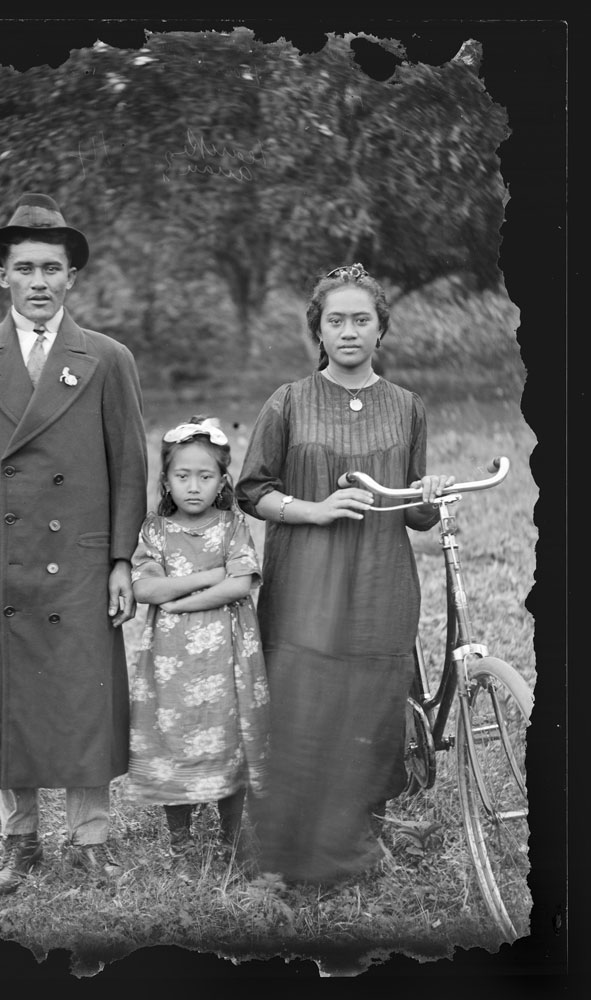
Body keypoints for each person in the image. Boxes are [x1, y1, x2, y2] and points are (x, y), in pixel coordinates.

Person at [0, 193, 147, 897]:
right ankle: (17, 838)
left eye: (51, 268)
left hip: (82, 561)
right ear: (1, 275)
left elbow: (129, 466)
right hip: (4, 565)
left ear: (71, 277)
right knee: (5, 700)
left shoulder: (106, 358)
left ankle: (92, 837)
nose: (38, 282)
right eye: (23, 268)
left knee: (83, 697)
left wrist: (121, 560)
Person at [235, 263, 454, 884]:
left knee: (373, 703)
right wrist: (315, 509)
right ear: (319, 330)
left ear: (380, 329)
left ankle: (362, 835)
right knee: (301, 703)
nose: (350, 330)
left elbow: (415, 515)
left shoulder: (407, 407)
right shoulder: (288, 402)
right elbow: (252, 492)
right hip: (304, 580)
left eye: (362, 319)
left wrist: (430, 493)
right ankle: (282, 855)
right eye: (337, 320)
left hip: (381, 583)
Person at [125, 417, 269, 862]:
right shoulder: (155, 530)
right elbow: (146, 588)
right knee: (176, 733)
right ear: (166, 481)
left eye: (205, 477)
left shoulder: (231, 525)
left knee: (228, 734)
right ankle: (181, 841)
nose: (193, 486)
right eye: (181, 476)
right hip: (173, 658)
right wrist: (211, 575)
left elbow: (240, 584)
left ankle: (232, 835)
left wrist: (183, 599)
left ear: (222, 481)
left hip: (227, 654)